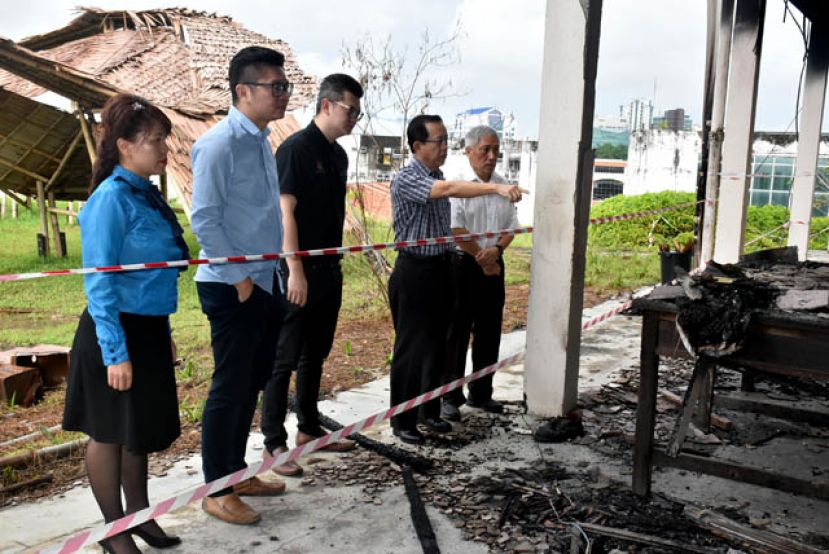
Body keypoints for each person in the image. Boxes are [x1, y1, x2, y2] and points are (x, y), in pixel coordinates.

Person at [63, 94, 188, 553]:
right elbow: (100, 284)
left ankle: (141, 518)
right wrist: (117, 353)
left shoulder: (147, 195)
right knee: (110, 433)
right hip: (112, 332)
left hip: (149, 328)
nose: (163, 150)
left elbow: (154, 277)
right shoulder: (110, 200)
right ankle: (113, 533)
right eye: (155, 141)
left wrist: (164, 335)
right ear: (125, 145)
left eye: (163, 141)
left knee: (138, 432)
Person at [190, 46, 290, 525]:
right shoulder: (219, 143)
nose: (283, 94)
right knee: (230, 386)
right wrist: (240, 279)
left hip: (264, 280)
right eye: (275, 86)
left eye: (284, 86)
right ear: (243, 91)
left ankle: (235, 472)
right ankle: (216, 489)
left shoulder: (260, 141)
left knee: (252, 381)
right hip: (233, 285)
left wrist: (264, 277)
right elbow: (205, 220)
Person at [389, 115, 526, 445]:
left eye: (446, 140)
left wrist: (491, 255)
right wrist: (495, 187)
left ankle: (429, 412)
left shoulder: (438, 175)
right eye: (439, 141)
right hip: (415, 272)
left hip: (442, 268)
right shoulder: (408, 178)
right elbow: (449, 192)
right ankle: (402, 420)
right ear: (418, 145)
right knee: (411, 349)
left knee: (438, 345)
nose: (444, 148)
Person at [261, 74, 364, 476]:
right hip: (297, 270)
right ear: (326, 105)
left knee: (315, 354)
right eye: (349, 109)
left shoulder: (337, 156)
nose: (354, 117)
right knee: (282, 357)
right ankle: (273, 442)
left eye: (358, 111)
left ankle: (308, 427)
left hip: (329, 268)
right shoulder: (296, 150)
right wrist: (295, 270)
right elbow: (285, 212)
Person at [441, 126, 521, 422]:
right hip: (463, 264)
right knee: (457, 332)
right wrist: (480, 256)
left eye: (496, 150)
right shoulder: (458, 184)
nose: (491, 156)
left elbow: (512, 226)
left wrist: (496, 252)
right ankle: (449, 396)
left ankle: (481, 392)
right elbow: (455, 229)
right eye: (485, 149)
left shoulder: (504, 186)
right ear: (469, 151)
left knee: (489, 330)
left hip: (493, 265)